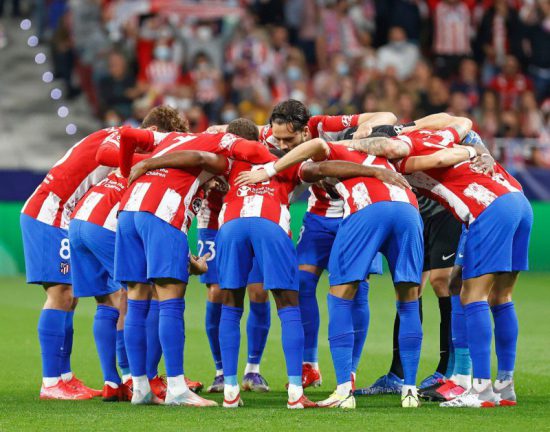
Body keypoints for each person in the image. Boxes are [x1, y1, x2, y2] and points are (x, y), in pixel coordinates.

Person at [236, 135, 463, 408]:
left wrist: (269, 170)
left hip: (368, 208)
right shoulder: (386, 156)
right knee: (409, 300)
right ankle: (410, 390)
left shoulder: (334, 150)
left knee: (340, 297)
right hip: (408, 210)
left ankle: (344, 390)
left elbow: (317, 153)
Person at [348, 113, 532, 407]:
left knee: (472, 297)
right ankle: (505, 385)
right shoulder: (440, 135)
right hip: (517, 199)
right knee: (499, 296)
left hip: (488, 206)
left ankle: (481, 389)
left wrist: (357, 142)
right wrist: (475, 150)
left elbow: (397, 149)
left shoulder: (402, 158)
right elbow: (462, 122)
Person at [114, 120, 276, 406]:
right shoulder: (224, 146)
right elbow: (241, 153)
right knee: (170, 300)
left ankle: (139, 387)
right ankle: (177, 388)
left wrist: (133, 168)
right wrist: (274, 164)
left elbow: (126, 134)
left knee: (136, 299)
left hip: (128, 211)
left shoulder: (172, 138)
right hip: (162, 210)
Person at [259, 99, 395, 387]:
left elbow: (387, 114)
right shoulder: (274, 134)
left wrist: (365, 130)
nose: (282, 145)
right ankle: (310, 365)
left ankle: (351, 371)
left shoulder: (325, 126)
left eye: (288, 140)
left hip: (358, 215)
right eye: (277, 139)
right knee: (301, 283)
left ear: (305, 132)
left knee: (356, 292)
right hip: (319, 217)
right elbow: (235, 132)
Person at [196, 178, 271, 394]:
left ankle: (253, 370)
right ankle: (221, 372)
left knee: (259, 291)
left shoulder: (256, 153)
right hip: (212, 221)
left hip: (249, 215)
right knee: (217, 292)